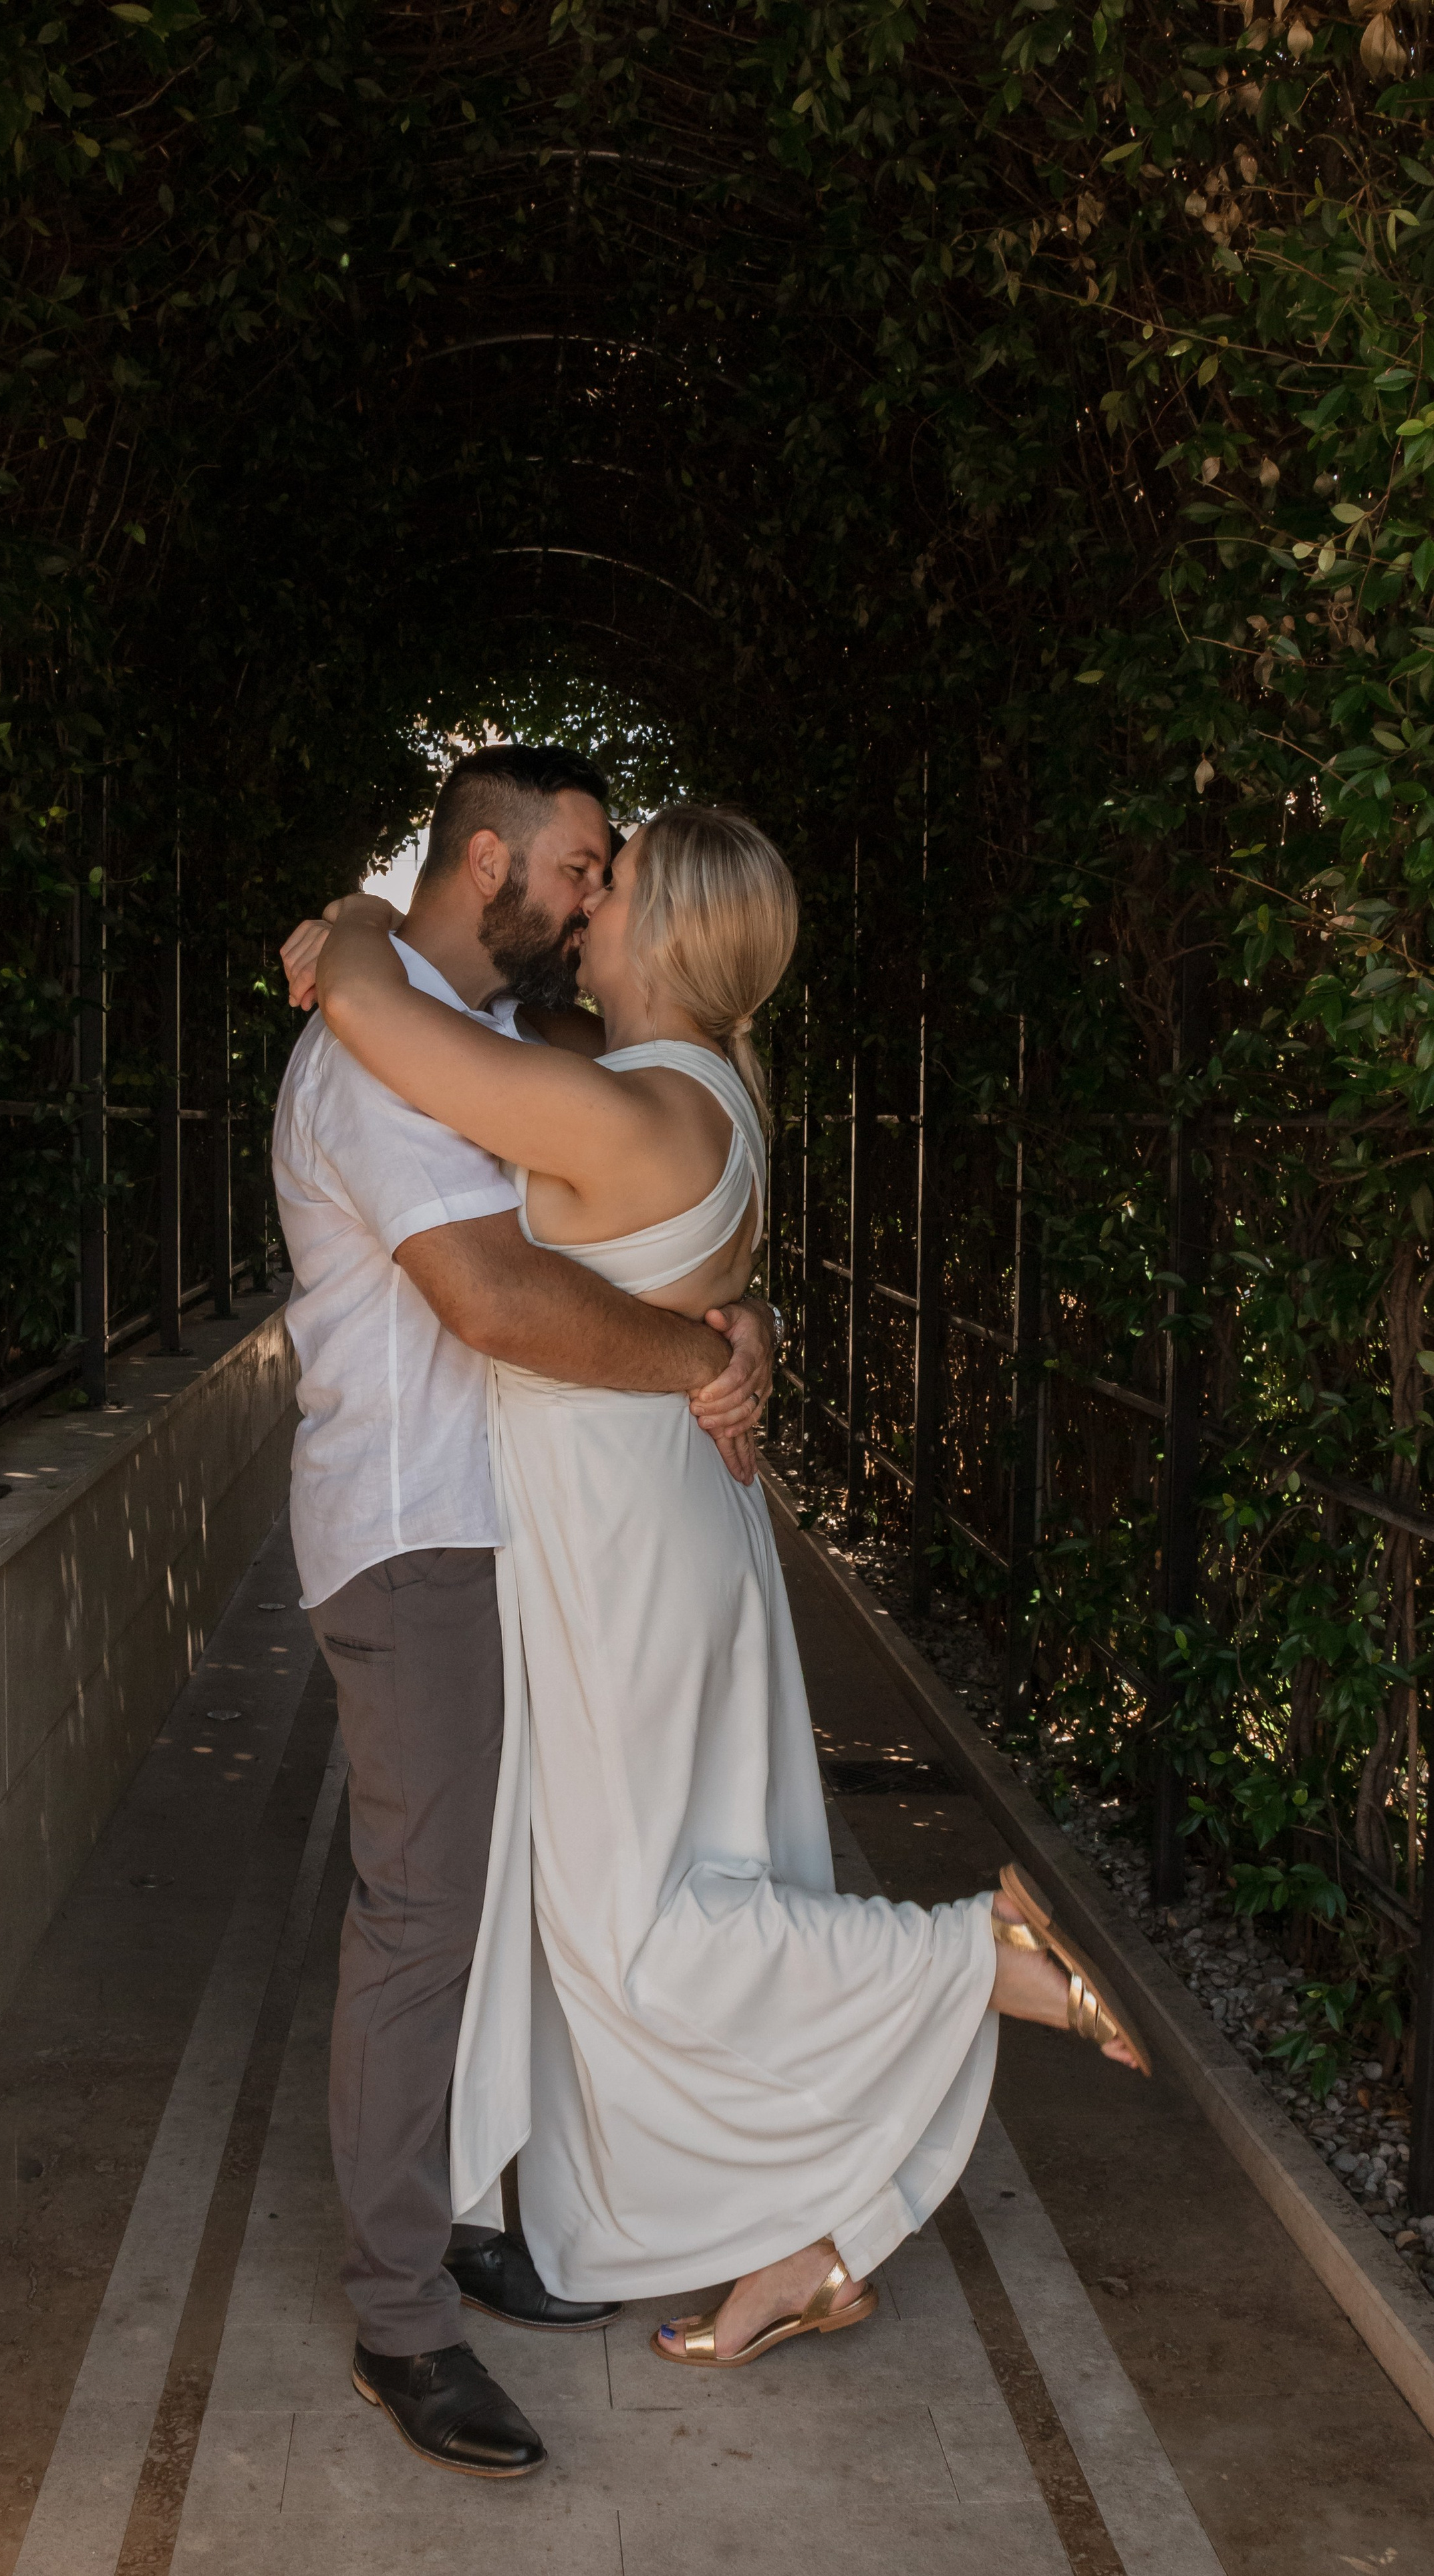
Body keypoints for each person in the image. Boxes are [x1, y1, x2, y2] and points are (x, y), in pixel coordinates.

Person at [307, 798, 1151, 2392]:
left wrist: (346, 923)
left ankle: (980, 1958)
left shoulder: (627, 1110)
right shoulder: (692, 1093)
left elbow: (370, 1008)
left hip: (618, 1544)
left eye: (612, 882)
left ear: (670, 928)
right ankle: (809, 2245)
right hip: (662, 1521)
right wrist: (738, 1326)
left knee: (633, 1933)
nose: (585, 903)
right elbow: (614, 1172)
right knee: (677, 1886)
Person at [270, 746, 776, 2482]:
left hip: (515, 1532)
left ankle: (485, 2216)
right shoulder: (371, 1052)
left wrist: (737, 1315)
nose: (587, 898)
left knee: (515, 1896)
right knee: (422, 1918)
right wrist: (700, 1365)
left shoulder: (480, 1034)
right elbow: (491, 1300)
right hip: (415, 1536)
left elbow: (642, 1196)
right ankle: (400, 2318)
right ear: (484, 861)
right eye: (576, 867)